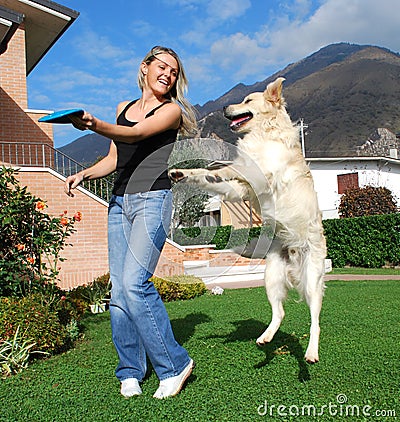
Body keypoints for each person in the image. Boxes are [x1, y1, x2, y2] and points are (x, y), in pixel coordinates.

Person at [64, 46, 197, 399]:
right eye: (162, 67)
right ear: (145, 68)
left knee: (136, 283)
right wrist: (86, 173)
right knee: (120, 290)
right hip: (119, 202)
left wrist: (94, 124)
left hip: (152, 199)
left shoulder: (171, 111)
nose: (167, 75)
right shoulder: (124, 108)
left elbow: (136, 135)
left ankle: (174, 364)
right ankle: (130, 370)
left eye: (173, 71)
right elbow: (114, 156)